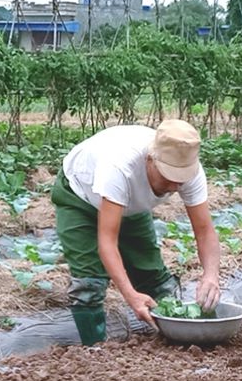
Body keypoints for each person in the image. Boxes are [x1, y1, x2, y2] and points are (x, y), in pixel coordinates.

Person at [51, 119, 221, 345]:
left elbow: (205, 231)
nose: (173, 187)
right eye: (168, 177)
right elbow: (107, 242)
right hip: (79, 197)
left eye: (179, 181)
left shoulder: (189, 170)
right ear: (150, 159)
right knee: (89, 283)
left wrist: (211, 275)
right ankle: (94, 354)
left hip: (129, 203)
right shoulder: (120, 167)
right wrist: (130, 295)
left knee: (154, 278)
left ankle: (175, 339)